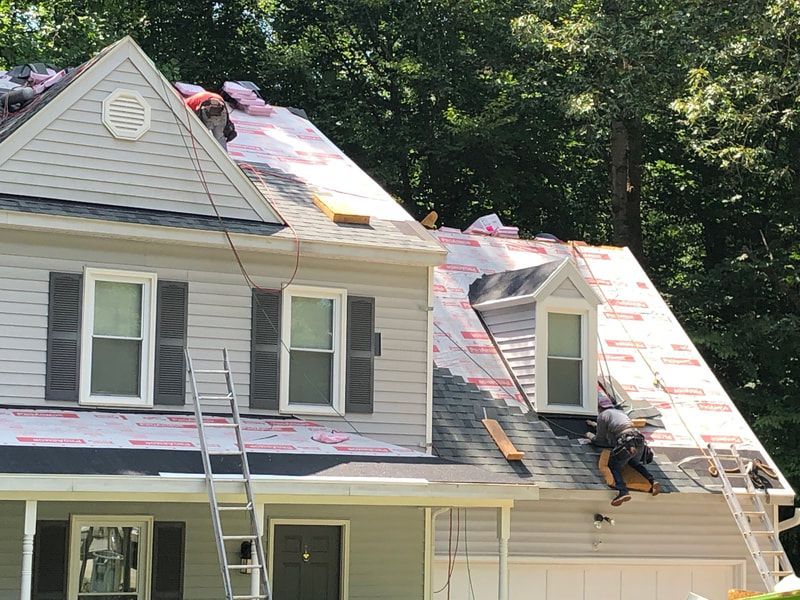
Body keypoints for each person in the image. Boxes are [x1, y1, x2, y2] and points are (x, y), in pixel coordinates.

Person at [586, 402, 661, 506]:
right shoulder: (620, 413)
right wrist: (594, 425)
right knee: (633, 463)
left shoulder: (602, 416)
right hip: (638, 438)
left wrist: (590, 436)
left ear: (599, 410)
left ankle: (623, 491)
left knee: (613, 464)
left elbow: (600, 440)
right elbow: (615, 428)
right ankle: (652, 481)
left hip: (626, 440)